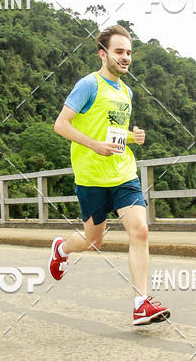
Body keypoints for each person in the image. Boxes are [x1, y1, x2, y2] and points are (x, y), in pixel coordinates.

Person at [48, 24, 170, 325]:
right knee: (93, 242)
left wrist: (132, 136)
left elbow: (112, 133)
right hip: (91, 178)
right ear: (103, 54)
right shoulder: (88, 85)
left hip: (123, 174)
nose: (125, 57)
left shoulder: (126, 91)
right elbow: (61, 125)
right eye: (119, 52)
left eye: (129, 52)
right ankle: (61, 248)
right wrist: (94, 146)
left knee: (140, 230)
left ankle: (141, 303)